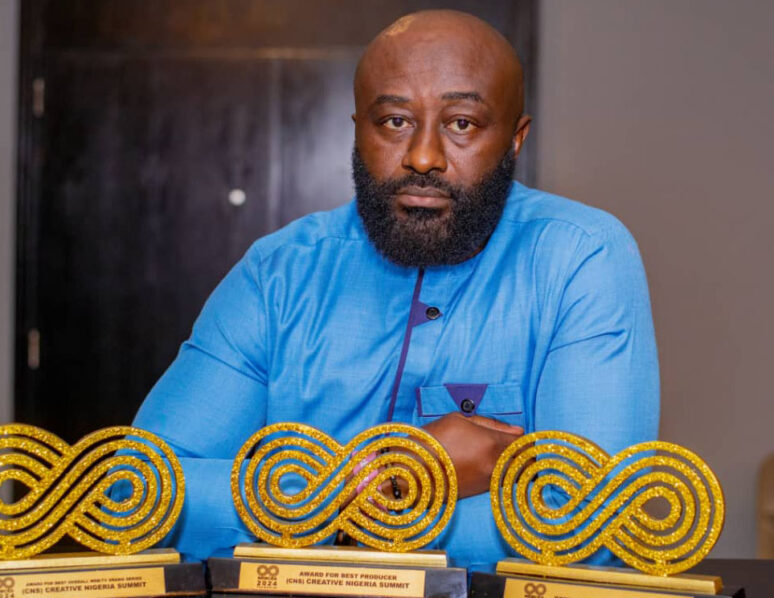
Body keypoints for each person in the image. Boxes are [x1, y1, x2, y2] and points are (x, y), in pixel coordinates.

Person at [133, 10, 659, 571]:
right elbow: (135, 495)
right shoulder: (278, 274)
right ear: (358, 130)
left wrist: (304, 517)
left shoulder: (580, 256)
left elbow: (596, 529)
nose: (424, 157)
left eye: (462, 123)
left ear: (514, 140)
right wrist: (376, 486)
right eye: (395, 121)